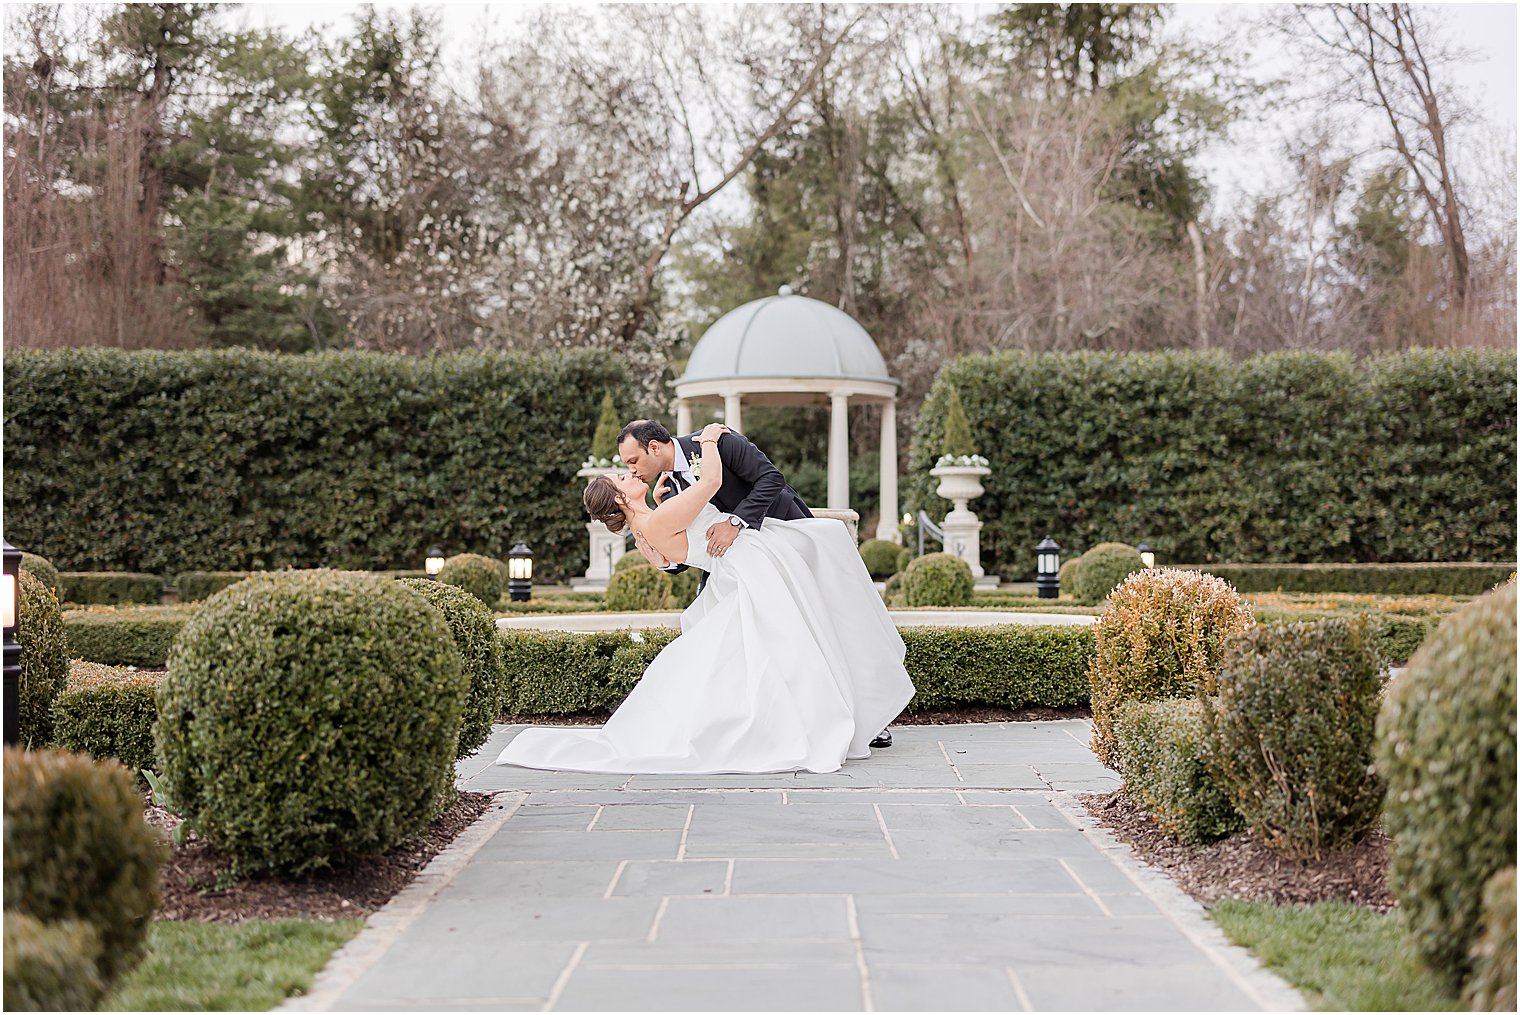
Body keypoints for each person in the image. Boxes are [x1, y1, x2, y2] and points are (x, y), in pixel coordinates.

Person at [493, 421, 913, 775]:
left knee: (814, 630)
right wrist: (706, 454)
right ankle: (829, 720)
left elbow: (771, 481)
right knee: (794, 644)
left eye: (632, 462)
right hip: (749, 567)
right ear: (621, 498)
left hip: (779, 539)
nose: (631, 471)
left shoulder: (674, 488)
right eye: (624, 473)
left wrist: (729, 513)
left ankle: (850, 716)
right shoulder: (675, 487)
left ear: (654, 446)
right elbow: (692, 526)